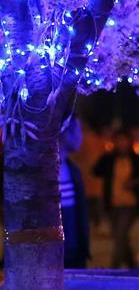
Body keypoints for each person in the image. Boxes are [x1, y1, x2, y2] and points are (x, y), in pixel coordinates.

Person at [93, 128, 139, 269]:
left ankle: (114, 268)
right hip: (112, 205)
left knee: (121, 234)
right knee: (121, 238)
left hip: (130, 205)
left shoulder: (136, 160)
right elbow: (96, 171)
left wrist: (135, 182)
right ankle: (132, 267)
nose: (122, 143)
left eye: (124, 140)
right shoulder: (109, 159)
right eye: (119, 140)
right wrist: (105, 154)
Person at [58, 115, 90, 268]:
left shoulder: (71, 169)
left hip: (74, 253)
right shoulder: (45, 172)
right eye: (78, 130)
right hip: (56, 258)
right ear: (64, 131)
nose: (80, 136)